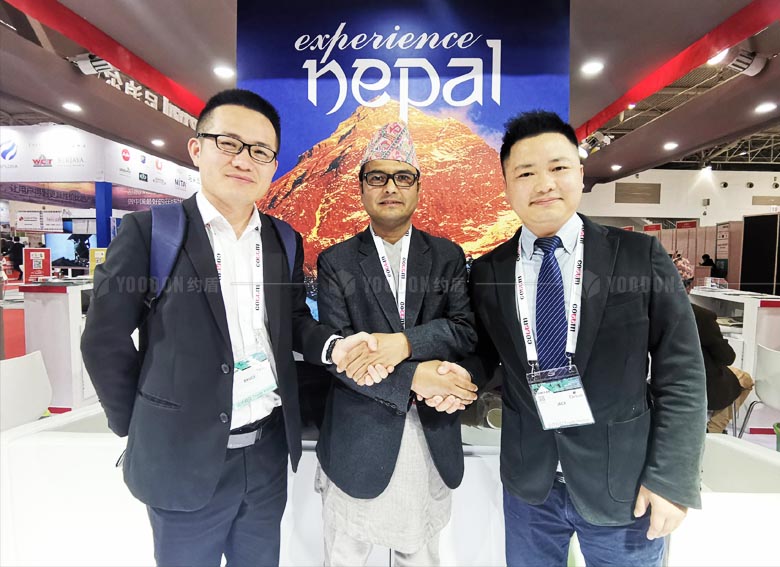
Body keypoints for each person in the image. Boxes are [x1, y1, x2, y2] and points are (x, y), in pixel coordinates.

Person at [81, 89, 377, 567]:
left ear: (273, 165)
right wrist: (139, 426)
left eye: (260, 151)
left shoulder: (283, 239)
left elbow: (293, 319)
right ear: (197, 148)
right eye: (229, 143)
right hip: (182, 455)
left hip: (265, 453)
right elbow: (103, 340)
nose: (244, 160)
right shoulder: (151, 233)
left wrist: (334, 347)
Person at [443, 111, 706, 566]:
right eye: (526, 173)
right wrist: (456, 377)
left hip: (623, 485)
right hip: (531, 485)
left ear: (580, 175)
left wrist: (671, 479)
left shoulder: (638, 256)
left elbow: (681, 372)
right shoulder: (489, 270)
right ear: (506, 186)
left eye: (558, 167)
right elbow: (486, 353)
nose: (544, 184)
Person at [315, 122, 479, 565]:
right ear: (361, 188)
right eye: (377, 177)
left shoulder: (446, 255)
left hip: (429, 434)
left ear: (418, 187)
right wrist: (416, 376)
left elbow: (464, 329)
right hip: (359, 438)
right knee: (345, 555)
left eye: (403, 177)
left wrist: (403, 344)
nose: (390, 187)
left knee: (420, 554)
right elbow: (340, 356)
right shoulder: (337, 261)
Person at [675, 256, 754, 433]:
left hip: (667, 382)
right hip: (702, 385)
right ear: (690, 286)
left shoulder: (653, 312)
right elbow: (726, 357)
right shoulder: (702, 317)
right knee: (746, 379)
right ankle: (714, 430)